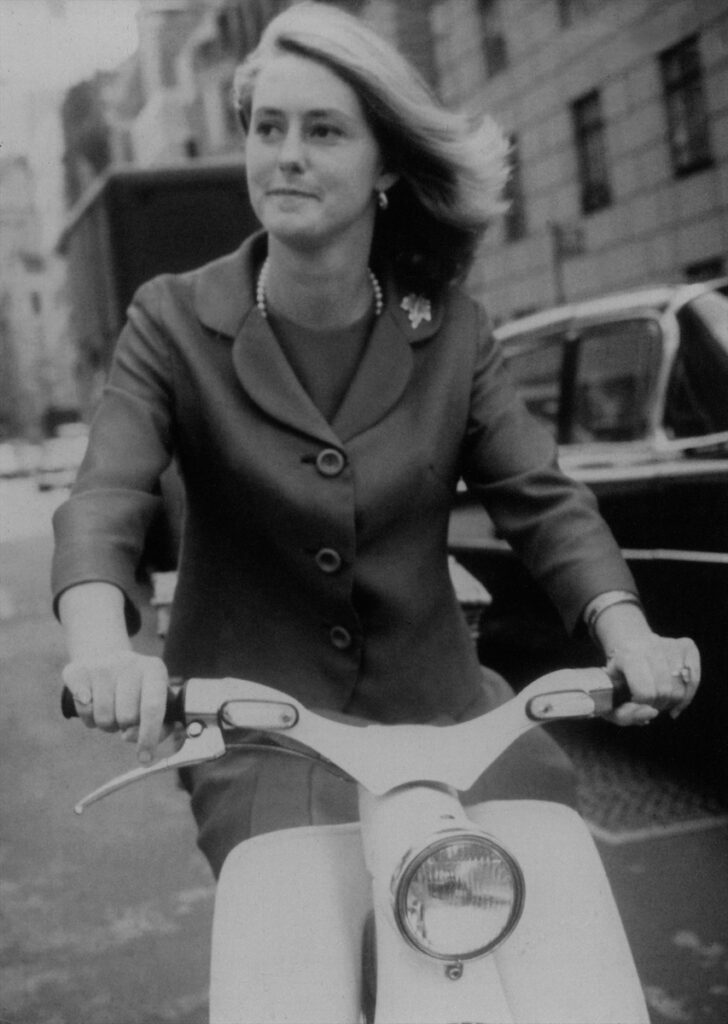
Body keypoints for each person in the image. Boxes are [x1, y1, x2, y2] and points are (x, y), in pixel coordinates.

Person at [53, 1, 699, 879]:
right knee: (293, 917)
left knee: (548, 877)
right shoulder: (170, 319)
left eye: (323, 131)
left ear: (387, 161)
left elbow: (542, 503)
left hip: (447, 716)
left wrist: (630, 637)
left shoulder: (456, 331)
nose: (286, 154)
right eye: (267, 127)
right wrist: (100, 647)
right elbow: (107, 497)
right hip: (260, 728)